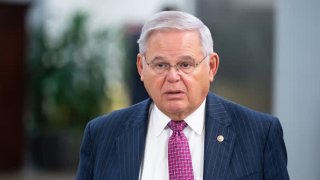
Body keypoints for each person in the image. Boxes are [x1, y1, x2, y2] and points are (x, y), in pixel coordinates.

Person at [76, 11, 289, 180]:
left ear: (211, 67)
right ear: (141, 67)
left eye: (185, 65)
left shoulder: (260, 134)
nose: (172, 77)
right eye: (160, 65)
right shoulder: (102, 135)